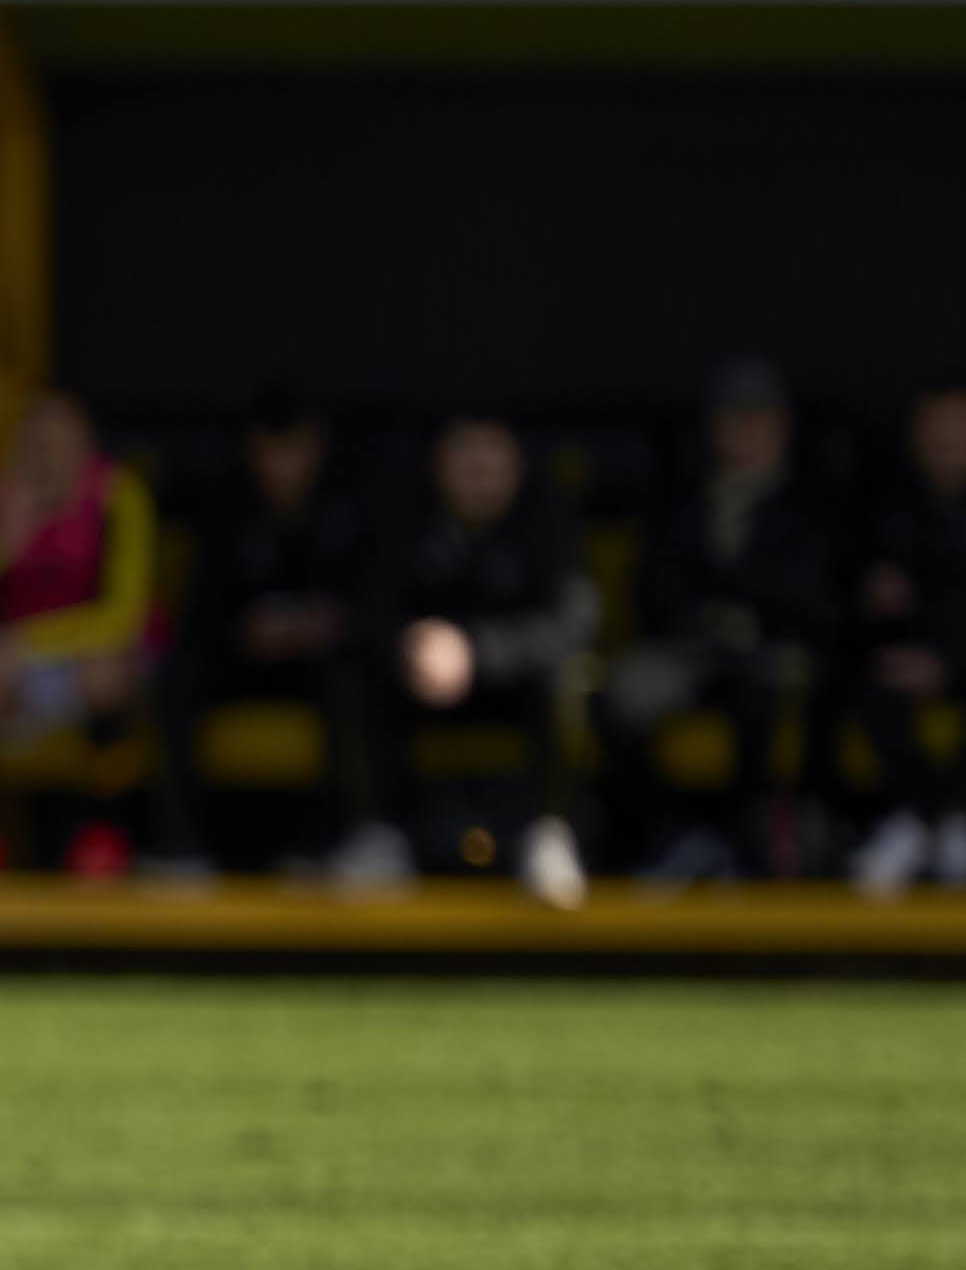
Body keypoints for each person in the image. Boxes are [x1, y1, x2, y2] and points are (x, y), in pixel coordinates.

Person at [604, 359, 829, 888]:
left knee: (768, 690)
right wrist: (704, 620)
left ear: (782, 427)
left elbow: (814, 595)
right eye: (733, 419)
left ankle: (750, 843)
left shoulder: (810, 501)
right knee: (623, 694)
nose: (745, 432)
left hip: (772, 649)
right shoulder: (683, 498)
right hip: (692, 648)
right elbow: (655, 587)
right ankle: (667, 837)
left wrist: (748, 615)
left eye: (758, 419)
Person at [0, 389, 158, 878]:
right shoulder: (1, 499)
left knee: (106, 672)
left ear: (85, 444)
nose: (48, 455)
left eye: (60, 442)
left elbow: (123, 616)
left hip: (83, 656)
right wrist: (0, 543)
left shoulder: (117, 496)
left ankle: (101, 832)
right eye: (36, 444)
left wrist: (24, 646)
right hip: (10, 671)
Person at [359, 413, 593, 907]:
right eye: (464, 448)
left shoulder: (545, 519)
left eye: (493, 448)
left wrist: (476, 650)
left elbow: (572, 625)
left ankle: (548, 833)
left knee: (569, 680)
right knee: (356, 675)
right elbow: (372, 613)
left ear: (517, 463)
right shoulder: (408, 517)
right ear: (439, 462)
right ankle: (379, 836)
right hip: (423, 689)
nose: (479, 465)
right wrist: (412, 644)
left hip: (512, 688)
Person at [156, 393, 371, 872]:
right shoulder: (225, 508)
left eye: (293, 449)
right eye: (270, 449)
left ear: (315, 447)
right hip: (242, 662)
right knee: (175, 677)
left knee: (356, 678)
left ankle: (343, 842)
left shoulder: (348, 507)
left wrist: (327, 624)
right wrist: (246, 631)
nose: (282, 465)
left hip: (318, 667)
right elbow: (200, 614)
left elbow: (371, 608)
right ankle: (180, 845)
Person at [846, 380, 966, 899]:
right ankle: (944, 827)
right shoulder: (888, 507)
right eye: (936, 424)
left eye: (960, 425)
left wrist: (949, 661)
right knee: (863, 684)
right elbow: (850, 602)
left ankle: (927, 823)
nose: (946, 438)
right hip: (906, 660)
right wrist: (874, 600)